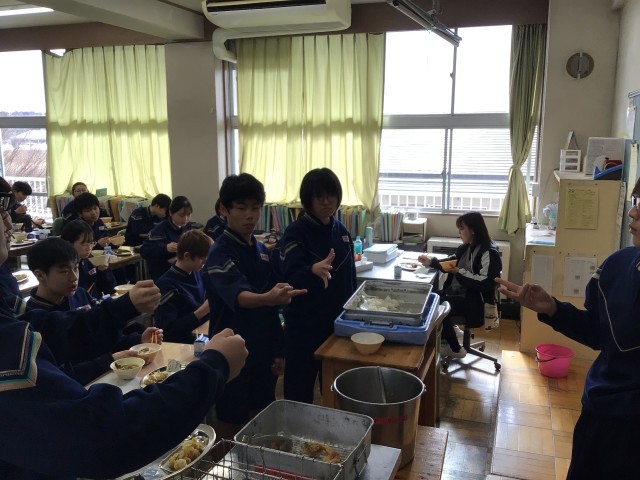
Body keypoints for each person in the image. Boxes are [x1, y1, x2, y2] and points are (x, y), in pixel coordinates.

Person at [0, 177, 249, 480]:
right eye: (2, 209)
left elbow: (49, 331)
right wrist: (214, 367)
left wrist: (123, 309)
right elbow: (100, 434)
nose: (9, 222)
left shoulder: (9, 304)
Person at [496, 178, 640, 480]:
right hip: (599, 411)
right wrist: (552, 308)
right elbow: (597, 333)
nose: (633, 212)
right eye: (636, 202)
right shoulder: (617, 266)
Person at [203, 173, 306, 436]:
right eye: (241, 208)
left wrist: (279, 350)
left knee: (262, 417)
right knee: (230, 421)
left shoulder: (260, 250)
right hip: (230, 351)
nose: (250, 215)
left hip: (262, 351)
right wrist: (269, 297)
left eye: (255, 208)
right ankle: (225, 461)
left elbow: (272, 307)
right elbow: (240, 297)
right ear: (224, 209)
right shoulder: (219, 252)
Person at [279, 168, 357, 404]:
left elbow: (350, 278)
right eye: (319, 196)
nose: (326, 202)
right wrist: (311, 270)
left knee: (334, 389)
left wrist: (353, 312)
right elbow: (289, 276)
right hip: (303, 326)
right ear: (308, 199)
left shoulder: (341, 231)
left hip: (336, 325)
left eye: (331, 195)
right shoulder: (295, 233)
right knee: (298, 393)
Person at [419, 211, 502, 359]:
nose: (459, 232)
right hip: (462, 294)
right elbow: (452, 263)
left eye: (462, 228)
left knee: (437, 305)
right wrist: (432, 262)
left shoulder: (488, 252)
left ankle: (455, 348)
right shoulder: (466, 247)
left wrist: (459, 272)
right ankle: (451, 328)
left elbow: (486, 283)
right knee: (428, 297)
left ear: (473, 230)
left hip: (476, 302)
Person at [155, 230, 212, 344]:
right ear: (187, 256)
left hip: (202, 333)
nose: (204, 263)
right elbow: (168, 332)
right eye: (202, 258)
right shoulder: (166, 286)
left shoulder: (196, 271)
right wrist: (203, 311)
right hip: (183, 343)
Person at [140, 195, 193, 281]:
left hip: (182, 269)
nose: (185, 219)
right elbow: (144, 251)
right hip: (164, 273)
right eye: (181, 215)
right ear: (171, 213)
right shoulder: (160, 229)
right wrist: (165, 248)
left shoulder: (188, 226)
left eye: (188, 215)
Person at [61, 219, 116, 298]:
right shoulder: (62, 268)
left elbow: (110, 290)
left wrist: (103, 271)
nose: (89, 248)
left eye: (91, 243)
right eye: (84, 244)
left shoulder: (91, 260)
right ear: (69, 244)